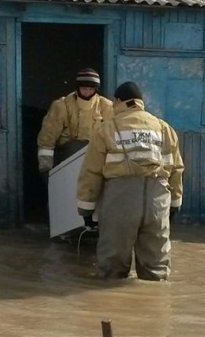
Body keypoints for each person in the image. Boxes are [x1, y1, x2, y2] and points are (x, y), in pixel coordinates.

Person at [76, 81, 184, 281]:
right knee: (156, 270)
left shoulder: (107, 128)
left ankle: (112, 308)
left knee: (112, 268)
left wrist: (86, 209)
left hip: (121, 201)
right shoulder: (163, 128)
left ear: (118, 101)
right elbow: (176, 169)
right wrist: (175, 204)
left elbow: (91, 172)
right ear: (140, 103)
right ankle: (155, 307)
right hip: (157, 200)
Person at [37, 68, 113, 227]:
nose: (87, 91)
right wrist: (46, 164)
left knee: (93, 193)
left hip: (95, 158)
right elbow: (48, 135)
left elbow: (112, 135)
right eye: (83, 87)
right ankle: (60, 226)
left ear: (96, 89)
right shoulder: (61, 105)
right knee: (64, 194)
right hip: (66, 156)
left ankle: (92, 225)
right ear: (77, 87)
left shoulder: (106, 107)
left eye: (91, 88)